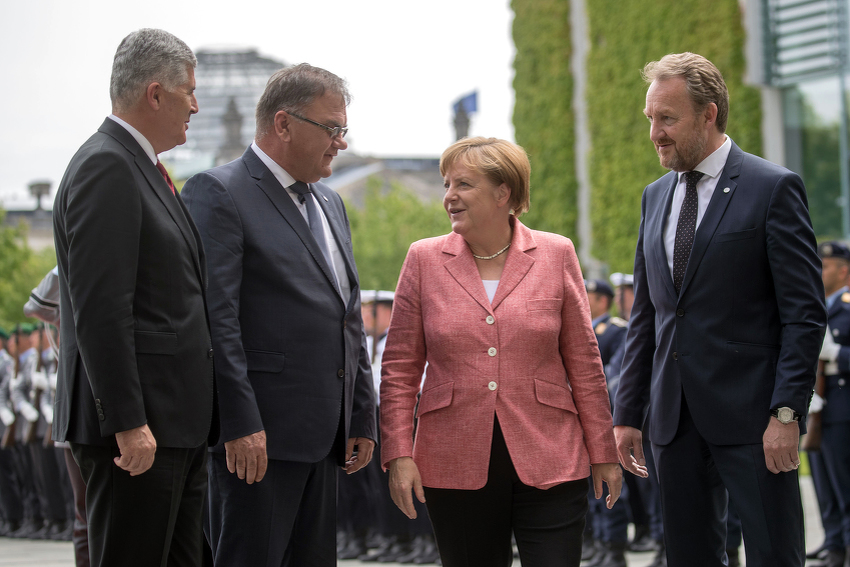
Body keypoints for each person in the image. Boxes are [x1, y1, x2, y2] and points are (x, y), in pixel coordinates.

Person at [613, 52, 826, 567]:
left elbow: (804, 314)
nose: (655, 134)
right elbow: (647, 316)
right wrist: (627, 413)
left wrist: (786, 412)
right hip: (673, 423)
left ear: (709, 114)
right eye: (651, 120)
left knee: (775, 555)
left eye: (668, 118)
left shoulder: (772, 187)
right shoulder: (653, 197)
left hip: (756, 421)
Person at [380, 136, 622, 567]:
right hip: (452, 457)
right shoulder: (423, 259)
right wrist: (398, 453)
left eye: (463, 185)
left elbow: (585, 362)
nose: (449, 197)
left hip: (551, 454)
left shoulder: (556, 253)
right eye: (445, 185)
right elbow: (399, 367)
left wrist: (604, 452)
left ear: (503, 193)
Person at [181, 63, 377, 567]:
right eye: (331, 128)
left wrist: (361, 414)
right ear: (284, 124)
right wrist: (239, 423)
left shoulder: (330, 203)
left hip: (325, 437)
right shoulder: (218, 192)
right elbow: (215, 320)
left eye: (344, 129)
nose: (342, 143)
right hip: (258, 443)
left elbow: (346, 316)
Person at [52, 28, 217, 567]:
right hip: (138, 431)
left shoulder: (139, 165)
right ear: (154, 93)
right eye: (188, 91)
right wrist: (128, 421)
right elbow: (102, 309)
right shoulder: (108, 166)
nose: (195, 105)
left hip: (172, 424)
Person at [583, 278, 630, 567]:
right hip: (584, 419)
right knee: (592, 488)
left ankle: (614, 547)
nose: (582, 299)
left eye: (587, 295)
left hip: (607, 416)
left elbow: (613, 376)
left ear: (602, 300)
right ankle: (601, 542)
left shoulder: (615, 331)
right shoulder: (584, 328)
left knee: (612, 485)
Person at [809, 241, 850, 567]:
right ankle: (833, 542)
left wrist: (836, 356)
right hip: (818, 407)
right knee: (824, 482)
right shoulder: (817, 305)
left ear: (843, 269)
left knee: (844, 484)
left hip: (843, 407)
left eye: (825, 266)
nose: (819, 272)